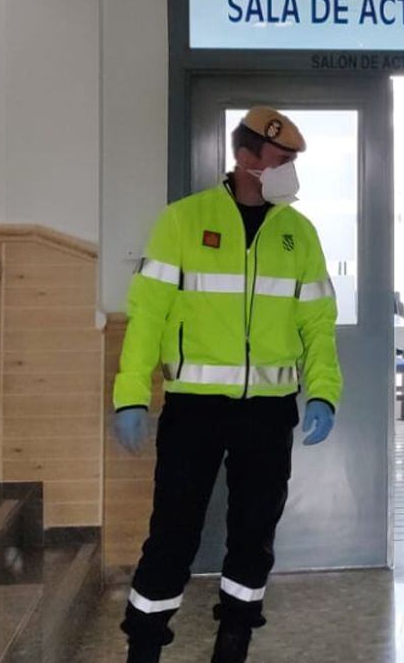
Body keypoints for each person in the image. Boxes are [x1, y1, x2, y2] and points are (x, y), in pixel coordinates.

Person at [112, 107, 343, 663]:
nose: (290, 171)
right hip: (194, 409)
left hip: (268, 411)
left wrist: (323, 392)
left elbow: (318, 324)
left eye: (293, 161)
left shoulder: (299, 234)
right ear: (245, 158)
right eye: (282, 160)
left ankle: (234, 643)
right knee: (173, 534)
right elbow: (147, 315)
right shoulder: (182, 222)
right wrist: (130, 394)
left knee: (254, 534)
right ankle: (144, 647)